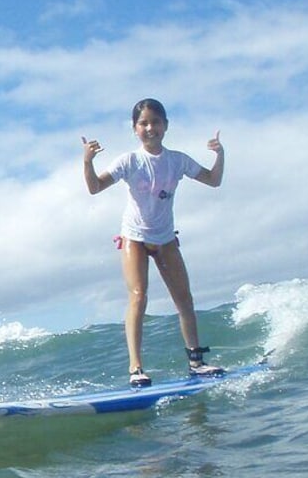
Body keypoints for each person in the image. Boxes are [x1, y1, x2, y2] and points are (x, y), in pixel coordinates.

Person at [82, 98, 225, 388]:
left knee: (184, 299)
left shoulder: (177, 160)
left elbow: (213, 180)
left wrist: (220, 155)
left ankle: (196, 362)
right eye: (143, 123)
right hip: (134, 236)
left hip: (165, 237)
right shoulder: (129, 161)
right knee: (138, 296)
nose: (150, 128)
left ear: (166, 125)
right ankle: (136, 368)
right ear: (135, 129)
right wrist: (87, 161)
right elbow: (95, 188)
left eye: (155, 122)